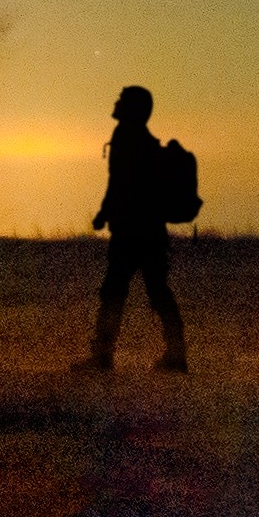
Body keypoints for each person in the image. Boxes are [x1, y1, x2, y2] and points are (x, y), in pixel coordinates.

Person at [80, 84, 189, 372]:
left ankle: (102, 356)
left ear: (133, 109)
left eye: (122, 100)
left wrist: (104, 214)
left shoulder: (126, 138)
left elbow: (118, 183)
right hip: (150, 231)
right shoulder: (143, 140)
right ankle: (176, 355)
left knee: (114, 291)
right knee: (157, 290)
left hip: (130, 231)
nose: (115, 103)